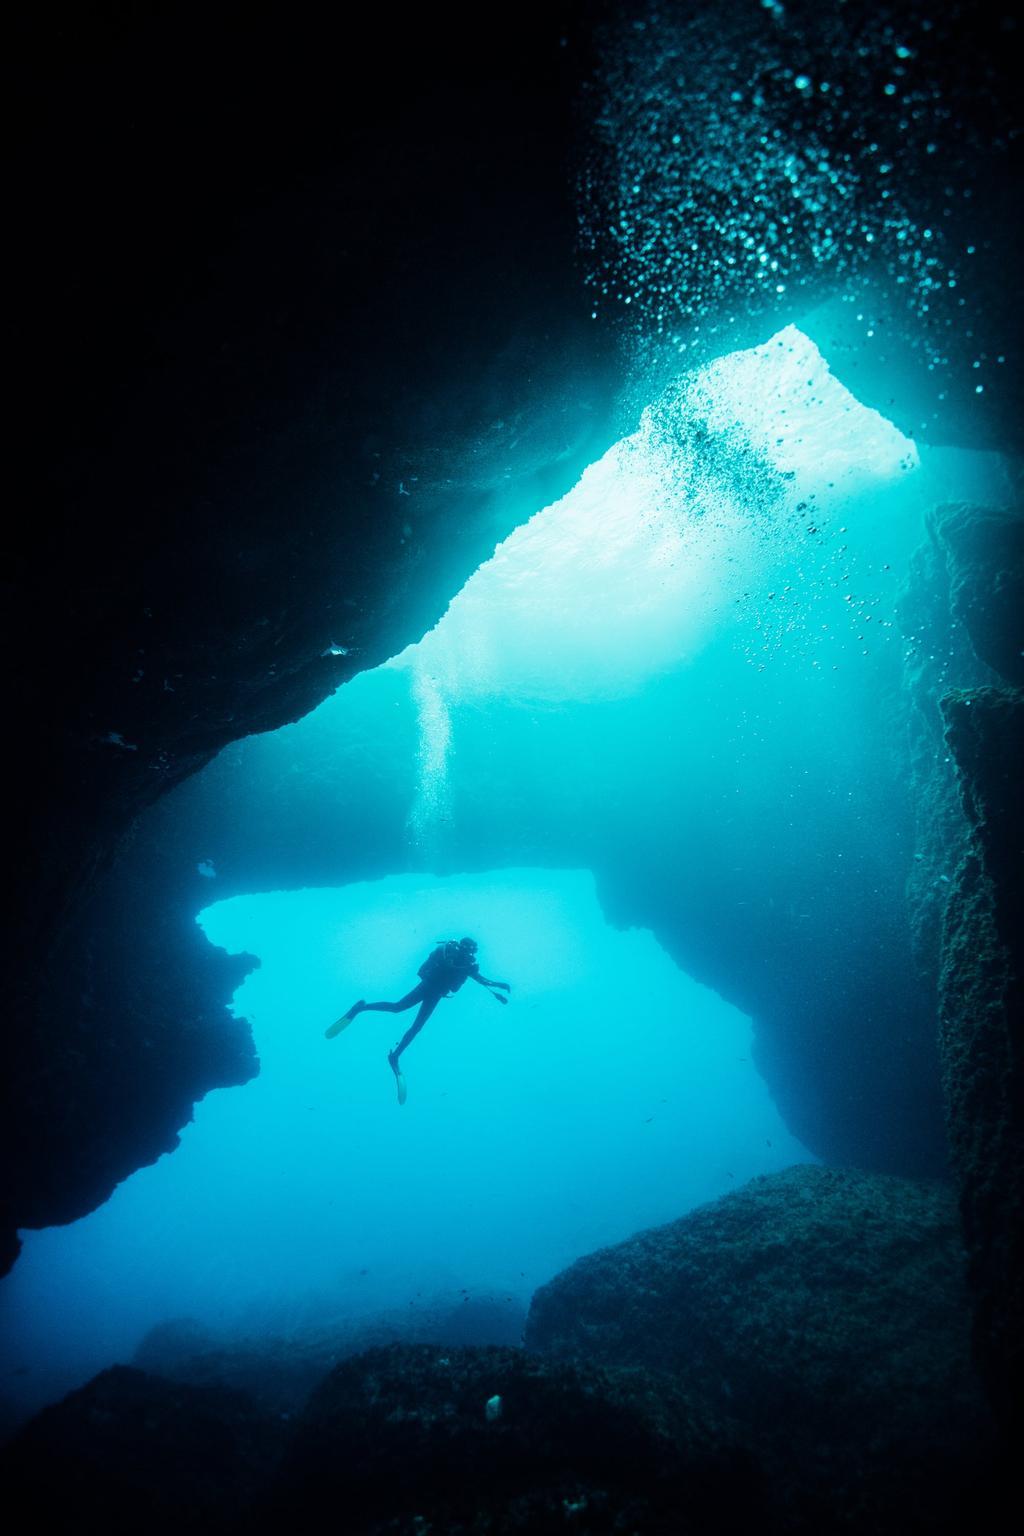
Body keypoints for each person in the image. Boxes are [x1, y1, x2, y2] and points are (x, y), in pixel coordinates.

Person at [325, 937, 510, 1103]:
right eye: (466, 949)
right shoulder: (448, 952)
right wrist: (494, 984)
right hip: (427, 987)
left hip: (436, 994)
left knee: (416, 1026)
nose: (467, 953)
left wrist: (498, 985)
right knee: (398, 1008)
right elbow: (426, 969)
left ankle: (395, 1056)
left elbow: (481, 980)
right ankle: (361, 1008)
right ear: (462, 946)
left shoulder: (468, 964)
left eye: (470, 951)